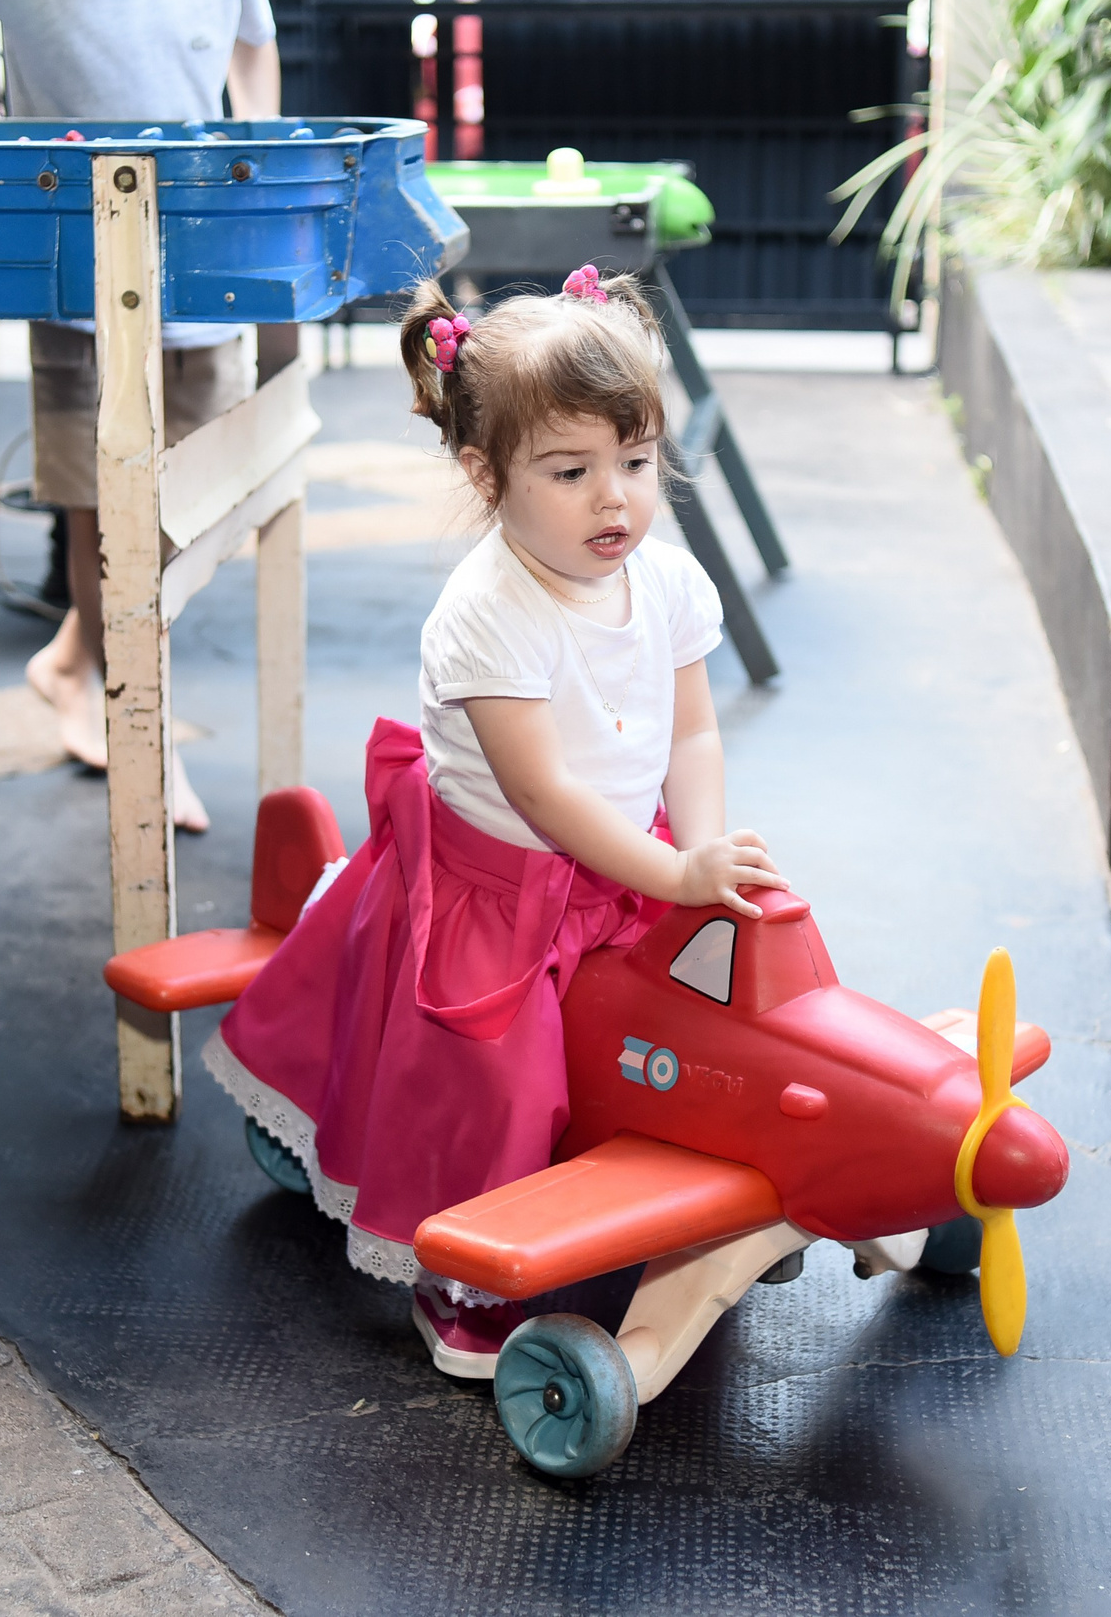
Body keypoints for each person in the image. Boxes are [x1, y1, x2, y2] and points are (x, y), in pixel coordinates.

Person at [205, 267, 788, 1375]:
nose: (613, 498)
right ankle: (461, 1275)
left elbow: (692, 736)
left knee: (703, 1016)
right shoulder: (486, 613)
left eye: (634, 460)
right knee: (496, 1076)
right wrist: (670, 875)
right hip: (504, 882)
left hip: (623, 861)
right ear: (486, 473)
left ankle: (689, 1184)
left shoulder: (663, 581)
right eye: (570, 472)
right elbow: (546, 796)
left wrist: (699, 859)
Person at [0, 0, 282, 832]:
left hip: (193, 259)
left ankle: (74, 655)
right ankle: (137, 729)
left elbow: (254, 44)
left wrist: (253, 138)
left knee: (191, 507)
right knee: (98, 505)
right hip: (75, 263)